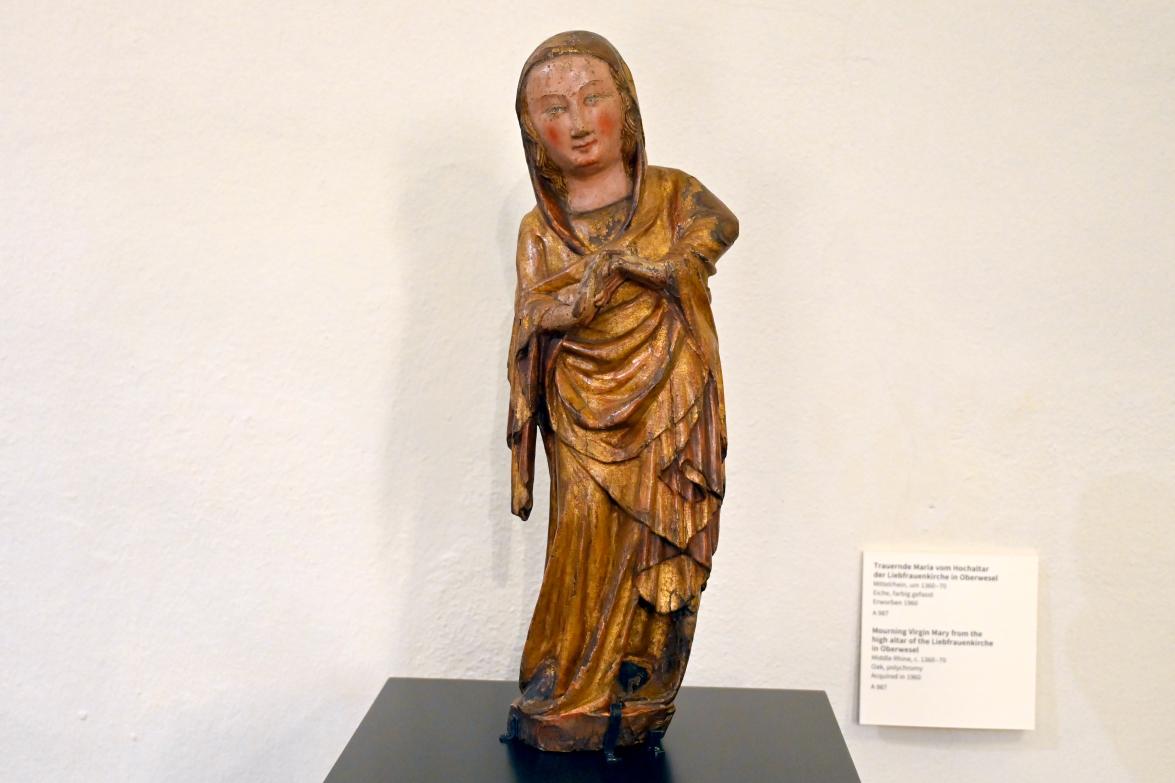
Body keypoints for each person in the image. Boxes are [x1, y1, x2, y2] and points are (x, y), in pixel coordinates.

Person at [504, 30, 738, 755]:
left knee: (655, 539)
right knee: (581, 527)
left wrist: (643, 265)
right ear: (533, 133)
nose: (577, 122)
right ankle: (567, 684)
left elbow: (717, 231)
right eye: (553, 109)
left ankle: (639, 689)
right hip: (581, 406)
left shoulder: (672, 193)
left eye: (592, 98)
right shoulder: (539, 231)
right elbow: (532, 316)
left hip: (669, 397)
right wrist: (574, 305)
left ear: (626, 107)